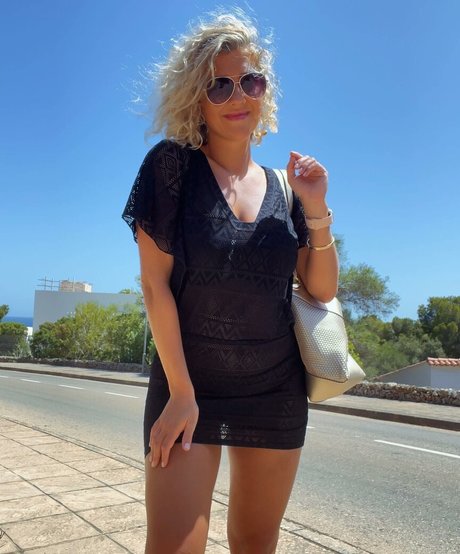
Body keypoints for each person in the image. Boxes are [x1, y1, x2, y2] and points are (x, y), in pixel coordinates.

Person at [122, 9, 339, 554]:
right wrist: (181, 393)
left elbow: (321, 290)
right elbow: (154, 287)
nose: (237, 95)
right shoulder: (171, 169)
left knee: (255, 543)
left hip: (275, 391)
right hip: (187, 387)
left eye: (250, 81)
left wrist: (316, 207)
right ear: (195, 99)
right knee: (174, 545)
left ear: (265, 91)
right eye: (219, 85)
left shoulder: (284, 188)